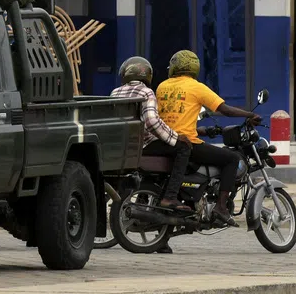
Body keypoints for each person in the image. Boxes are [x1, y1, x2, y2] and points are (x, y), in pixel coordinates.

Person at [156, 49, 261, 227]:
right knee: (231, 159)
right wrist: (250, 115)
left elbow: (175, 118)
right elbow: (224, 109)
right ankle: (221, 207)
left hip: (166, 140)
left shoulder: (162, 86)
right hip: (187, 143)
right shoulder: (196, 87)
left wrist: (204, 131)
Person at [110, 56, 190, 213]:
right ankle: (170, 196)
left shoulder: (115, 92)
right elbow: (152, 122)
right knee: (184, 148)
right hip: (143, 144)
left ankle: (143, 198)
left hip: (124, 146)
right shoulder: (146, 92)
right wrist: (175, 137)